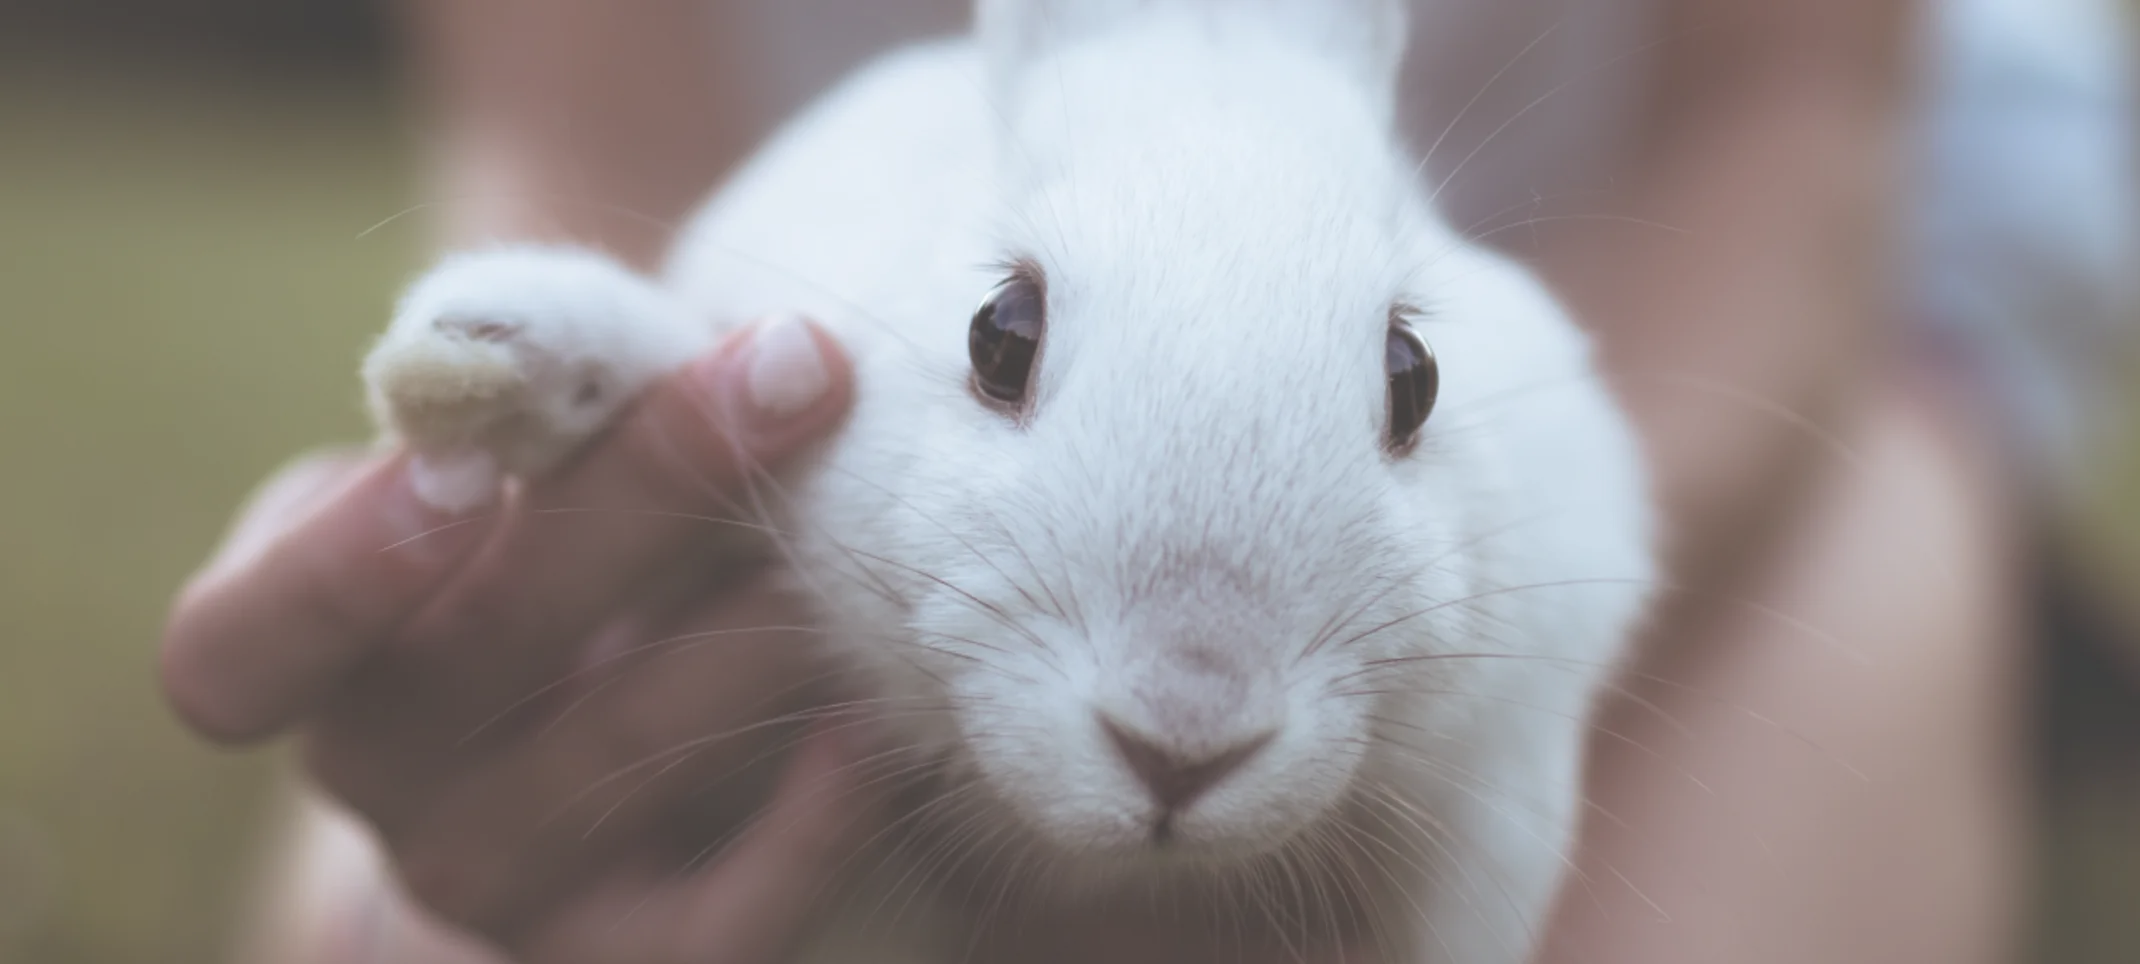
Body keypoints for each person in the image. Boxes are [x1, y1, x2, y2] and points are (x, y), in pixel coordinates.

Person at [159, 0, 2133, 960]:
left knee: (1817, 636)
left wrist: (1473, 718)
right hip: (970, 228)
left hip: (1696, 268)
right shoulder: (898, 199)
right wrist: (571, 557)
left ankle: (1992, 601)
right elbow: (611, 173)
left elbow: (1777, 130)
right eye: (1008, 349)